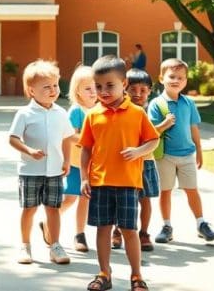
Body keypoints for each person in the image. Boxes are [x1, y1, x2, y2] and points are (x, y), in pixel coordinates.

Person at [80, 55, 159, 291]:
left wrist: (138, 151)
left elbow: (153, 140)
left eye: (110, 85)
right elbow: (85, 148)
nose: (103, 91)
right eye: (98, 86)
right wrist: (84, 177)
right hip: (100, 182)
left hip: (128, 183)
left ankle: (136, 276)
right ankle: (104, 273)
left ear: (123, 84)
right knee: (102, 229)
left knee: (129, 230)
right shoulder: (93, 114)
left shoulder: (137, 113)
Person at [8, 60, 76, 265]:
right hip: (30, 171)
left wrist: (67, 161)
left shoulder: (61, 113)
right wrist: (28, 150)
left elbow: (67, 138)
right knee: (29, 208)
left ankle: (55, 245)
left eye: (55, 85)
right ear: (32, 90)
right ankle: (25, 245)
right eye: (46, 87)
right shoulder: (24, 114)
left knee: (53, 208)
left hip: (54, 170)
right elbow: (13, 138)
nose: (53, 90)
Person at [147, 58, 214, 244]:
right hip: (165, 156)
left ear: (186, 81)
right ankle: (166, 225)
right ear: (161, 78)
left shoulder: (189, 103)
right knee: (166, 191)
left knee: (192, 190)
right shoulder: (157, 104)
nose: (176, 80)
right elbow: (151, 132)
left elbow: (194, 127)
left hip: (187, 155)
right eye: (171, 76)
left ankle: (201, 223)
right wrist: (165, 123)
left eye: (180, 77)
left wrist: (200, 151)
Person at [58, 65, 96, 252]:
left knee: (85, 198)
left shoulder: (99, 110)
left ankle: (80, 234)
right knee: (70, 198)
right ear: (77, 91)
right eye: (88, 88)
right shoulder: (77, 111)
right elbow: (69, 135)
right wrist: (87, 141)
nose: (93, 92)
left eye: (96, 87)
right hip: (76, 163)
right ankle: (51, 221)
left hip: (93, 164)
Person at [124, 68, 160, 253]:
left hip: (145, 161)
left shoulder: (149, 111)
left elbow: (153, 137)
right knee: (121, 199)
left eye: (143, 90)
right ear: (124, 88)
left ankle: (144, 232)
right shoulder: (120, 110)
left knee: (145, 200)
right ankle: (117, 229)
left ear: (150, 91)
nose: (138, 94)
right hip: (125, 162)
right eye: (133, 89)